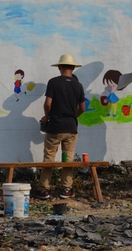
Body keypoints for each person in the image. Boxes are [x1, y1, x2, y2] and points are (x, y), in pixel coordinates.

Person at [36, 54, 85, 199]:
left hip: (55, 127)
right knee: (68, 159)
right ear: (73, 68)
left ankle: (44, 189)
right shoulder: (78, 85)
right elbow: (82, 108)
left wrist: (46, 117)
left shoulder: (53, 82)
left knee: (49, 158)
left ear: (59, 67)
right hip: (71, 128)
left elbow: (48, 104)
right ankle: (66, 189)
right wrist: (73, 116)